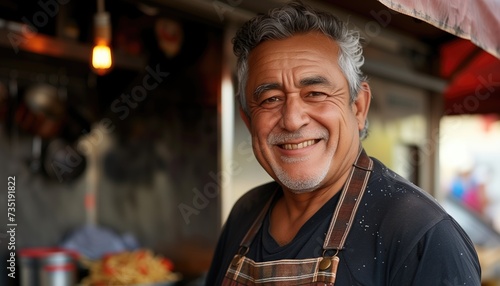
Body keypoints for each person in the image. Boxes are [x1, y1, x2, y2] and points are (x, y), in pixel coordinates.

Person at [206, 1, 481, 285]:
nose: (292, 119)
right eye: (270, 99)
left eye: (315, 92)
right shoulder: (246, 213)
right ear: (248, 120)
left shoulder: (420, 235)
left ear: (359, 107)